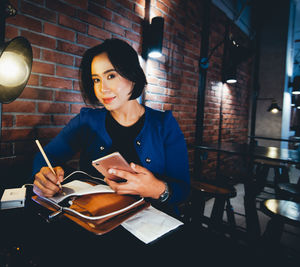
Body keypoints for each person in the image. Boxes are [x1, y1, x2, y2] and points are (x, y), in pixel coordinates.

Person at [32, 38, 190, 215]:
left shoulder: (164, 124)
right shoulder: (86, 121)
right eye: (96, 80)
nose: (102, 89)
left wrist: (157, 189)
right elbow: (45, 156)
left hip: (152, 226)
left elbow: (183, 189)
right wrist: (45, 177)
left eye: (111, 76)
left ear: (132, 75)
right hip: (96, 221)